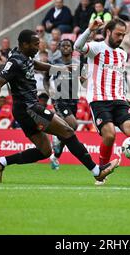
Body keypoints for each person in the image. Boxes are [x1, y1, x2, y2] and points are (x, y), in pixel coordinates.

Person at [0, 28, 119, 185]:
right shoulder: (14, 61)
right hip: (29, 108)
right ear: (25, 44)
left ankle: (1, 162)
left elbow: (35, 64)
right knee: (67, 131)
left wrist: (60, 68)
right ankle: (97, 171)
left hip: (24, 110)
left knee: (45, 151)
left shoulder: (25, 57)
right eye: (35, 44)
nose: (38, 47)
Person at [74, 18, 130, 175]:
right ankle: (101, 171)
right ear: (108, 32)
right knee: (109, 135)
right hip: (99, 100)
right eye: (118, 34)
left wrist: (124, 95)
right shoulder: (96, 48)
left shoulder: (122, 54)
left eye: (123, 35)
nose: (121, 38)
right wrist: (90, 30)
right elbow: (77, 46)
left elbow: (119, 76)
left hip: (119, 100)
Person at [45, 39, 80, 171]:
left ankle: (55, 155)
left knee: (69, 130)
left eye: (68, 46)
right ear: (59, 48)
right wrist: (49, 91)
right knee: (74, 125)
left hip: (73, 100)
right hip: (59, 99)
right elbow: (45, 78)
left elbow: (83, 80)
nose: (65, 47)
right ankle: (56, 137)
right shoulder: (54, 62)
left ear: (72, 49)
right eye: (63, 45)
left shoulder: (77, 63)